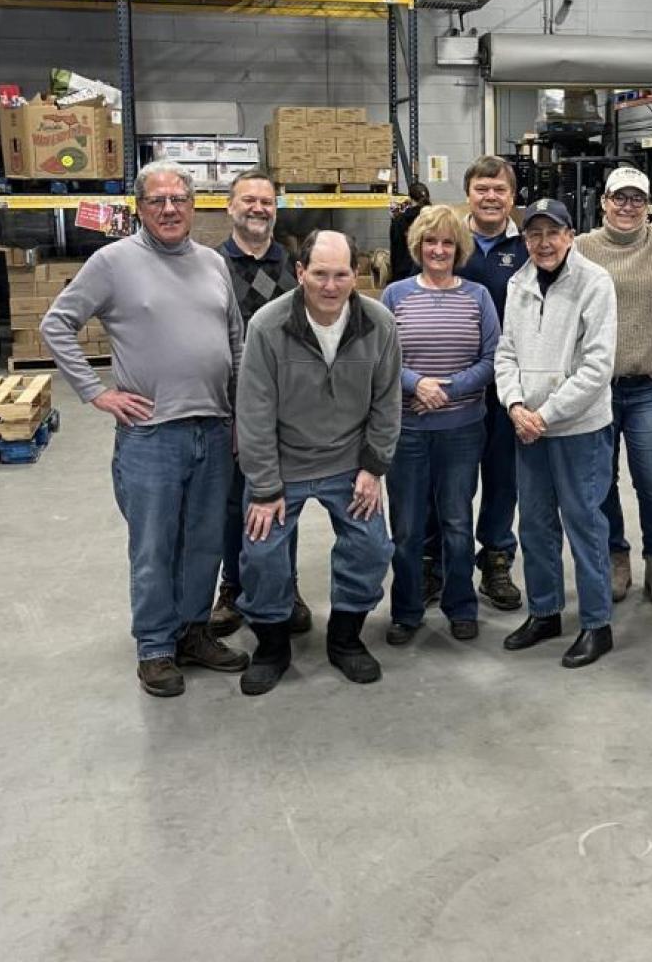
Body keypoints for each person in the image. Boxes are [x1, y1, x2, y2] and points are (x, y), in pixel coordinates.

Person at [40, 162, 248, 697]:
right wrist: (96, 391)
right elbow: (56, 323)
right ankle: (155, 646)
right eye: (157, 200)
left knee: (205, 542)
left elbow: (234, 338)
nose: (170, 208)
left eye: (179, 198)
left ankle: (193, 631)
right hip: (152, 433)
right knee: (155, 545)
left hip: (215, 427)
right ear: (139, 207)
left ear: (194, 204)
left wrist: (239, 409)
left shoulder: (212, 263)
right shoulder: (113, 262)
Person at [234, 230, 401, 695]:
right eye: (320, 274)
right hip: (282, 464)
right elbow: (253, 412)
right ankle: (271, 645)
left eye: (342, 274)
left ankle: (345, 639)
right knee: (263, 553)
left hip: (350, 462)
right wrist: (265, 488)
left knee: (370, 547)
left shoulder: (379, 324)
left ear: (356, 275)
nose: (331, 285)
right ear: (301, 272)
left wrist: (373, 467)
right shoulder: (268, 326)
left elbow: (387, 403)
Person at [494, 198, 618, 669]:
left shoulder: (594, 282)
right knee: (535, 524)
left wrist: (545, 415)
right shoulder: (518, 282)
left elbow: (597, 365)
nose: (543, 243)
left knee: (584, 523)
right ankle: (545, 611)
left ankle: (596, 623)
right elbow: (506, 352)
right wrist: (516, 404)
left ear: (570, 235)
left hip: (578, 430)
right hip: (529, 428)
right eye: (534, 234)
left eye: (553, 233)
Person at [381, 205, 499, 644]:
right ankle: (407, 611)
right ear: (418, 246)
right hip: (409, 431)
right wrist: (416, 384)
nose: (439, 250)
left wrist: (447, 389)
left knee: (456, 522)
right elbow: (383, 360)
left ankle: (461, 606)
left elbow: (493, 358)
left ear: (459, 248)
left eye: (448, 242)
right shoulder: (395, 296)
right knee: (408, 528)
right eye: (431, 242)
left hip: (463, 429)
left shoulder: (478, 297)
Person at [576, 166, 652, 606]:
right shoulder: (582, 248)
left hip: (648, 384)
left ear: (648, 205)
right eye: (619, 198)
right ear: (603, 202)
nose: (627, 207)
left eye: (637, 199)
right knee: (602, 480)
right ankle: (616, 556)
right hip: (596, 385)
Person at [209, 169, 310, 639]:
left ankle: (282, 585)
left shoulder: (293, 264)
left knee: (280, 499)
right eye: (248, 200)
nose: (258, 208)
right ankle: (234, 587)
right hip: (228, 406)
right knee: (233, 504)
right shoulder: (209, 265)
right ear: (229, 206)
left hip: (285, 406)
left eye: (266, 202)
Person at [437, 155, 529, 612]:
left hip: (508, 386)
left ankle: (496, 558)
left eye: (500, 189)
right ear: (468, 193)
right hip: (454, 382)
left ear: (512, 197)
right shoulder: (448, 242)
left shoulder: (529, 245)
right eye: (482, 188)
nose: (491, 197)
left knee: (502, 477)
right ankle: (436, 560)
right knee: (448, 478)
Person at [388, 181, 431, 285]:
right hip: (428, 275)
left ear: (410, 199)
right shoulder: (435, 220)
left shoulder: (398, 221)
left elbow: (394, 252)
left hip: (402, 275)